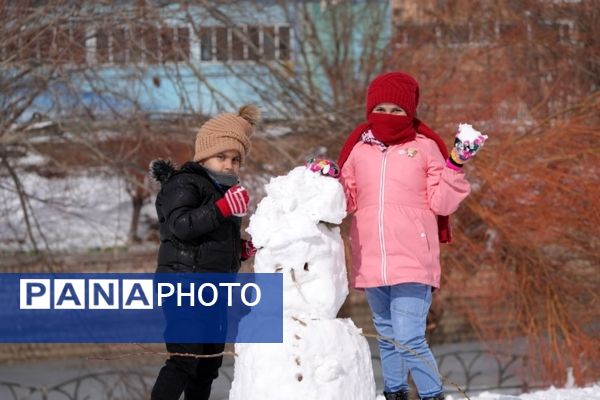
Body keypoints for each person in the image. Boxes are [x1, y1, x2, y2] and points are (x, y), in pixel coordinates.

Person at [338, 72, 484, 400]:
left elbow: (441, 202)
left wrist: (456, 165)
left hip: (414, 259)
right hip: (372, 260)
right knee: (388, 337)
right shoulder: (358, 151)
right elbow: (345, 200)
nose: (388, 116)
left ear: (410, 113)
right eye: (381, 109)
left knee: (408, 337)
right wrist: (325, 179)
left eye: (397, 110)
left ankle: (432, 395)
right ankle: (395, 392)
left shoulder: (425, 147)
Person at [149, 105, 260, 400]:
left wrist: (240, 249)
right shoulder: (184, 183)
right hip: (183, 285)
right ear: (204, 155)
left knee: (209, 364)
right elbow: (181, 227)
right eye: (221, 157)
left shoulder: (225, 192)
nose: (229, 165)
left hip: (213, 288)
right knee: (184, 359)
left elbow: (213, 242)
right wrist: (223, 209)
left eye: (235, 160)